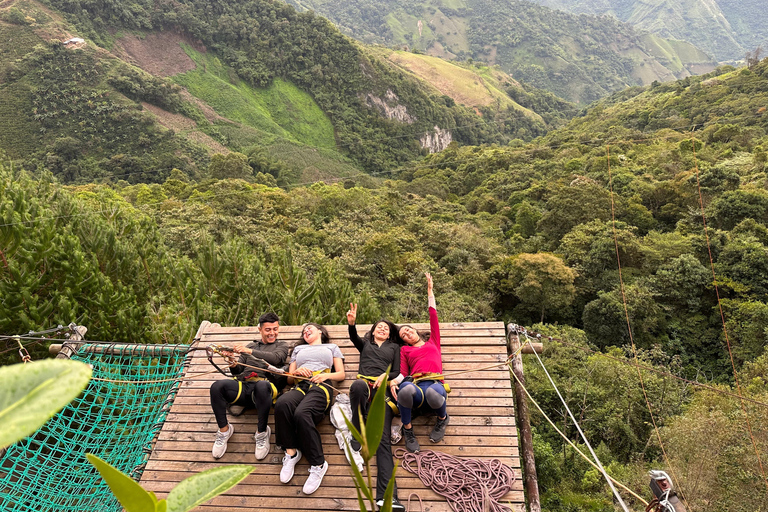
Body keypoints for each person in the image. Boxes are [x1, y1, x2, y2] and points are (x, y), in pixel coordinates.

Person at [274, 322, 345, 495]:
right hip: (300, 386)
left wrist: (324, 375)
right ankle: (291, 453)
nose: (306, 330)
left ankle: (319, 464)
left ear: (320, 331)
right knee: (282, 404)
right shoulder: (298, 349)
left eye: (309, 328)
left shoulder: (332, 347)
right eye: (304, 330)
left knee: (301, 413)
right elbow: (290, 379)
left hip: (321, 386)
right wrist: (297, 372)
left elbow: (341, 374)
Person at [346, 304, 405, 512]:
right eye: (379, 327)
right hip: (364, 387)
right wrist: (351, 324)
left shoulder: (394, 348)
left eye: (386, 328)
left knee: (383, 442)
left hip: (384, 393)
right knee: (358, 386)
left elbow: (397, 371)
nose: (382, 329)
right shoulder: (365, 345)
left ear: (390, 334)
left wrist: (385, 376)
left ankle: (388, 497)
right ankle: (356, 431)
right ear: (372, 331)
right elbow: (353, 337)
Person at [209, 312, 289, 460]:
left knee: (261, 386)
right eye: (268, 330)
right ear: (260, 330)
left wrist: (249, 351)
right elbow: (238, 371)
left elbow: (276, 358)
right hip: (244, 387)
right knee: (216, 387)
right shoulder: (251, 345)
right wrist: (233, 362)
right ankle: (224, 430)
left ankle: (262, 432)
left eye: (275, 329)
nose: (273, 333)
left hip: (266, 388)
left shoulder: (282, 346)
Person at [390, 272, 449, 454]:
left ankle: (442, 418)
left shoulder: (433, 341)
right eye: (403, 335)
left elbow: (433, 316)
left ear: (415, 330)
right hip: (416, 387)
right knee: (405, 389)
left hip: (434, 384)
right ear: (404, 341)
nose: (407, 333)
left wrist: (430, 292)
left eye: (408, 330)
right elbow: (403, 373)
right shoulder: (405, 350)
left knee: (433, 393)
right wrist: (394, 381)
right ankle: (408, 430)